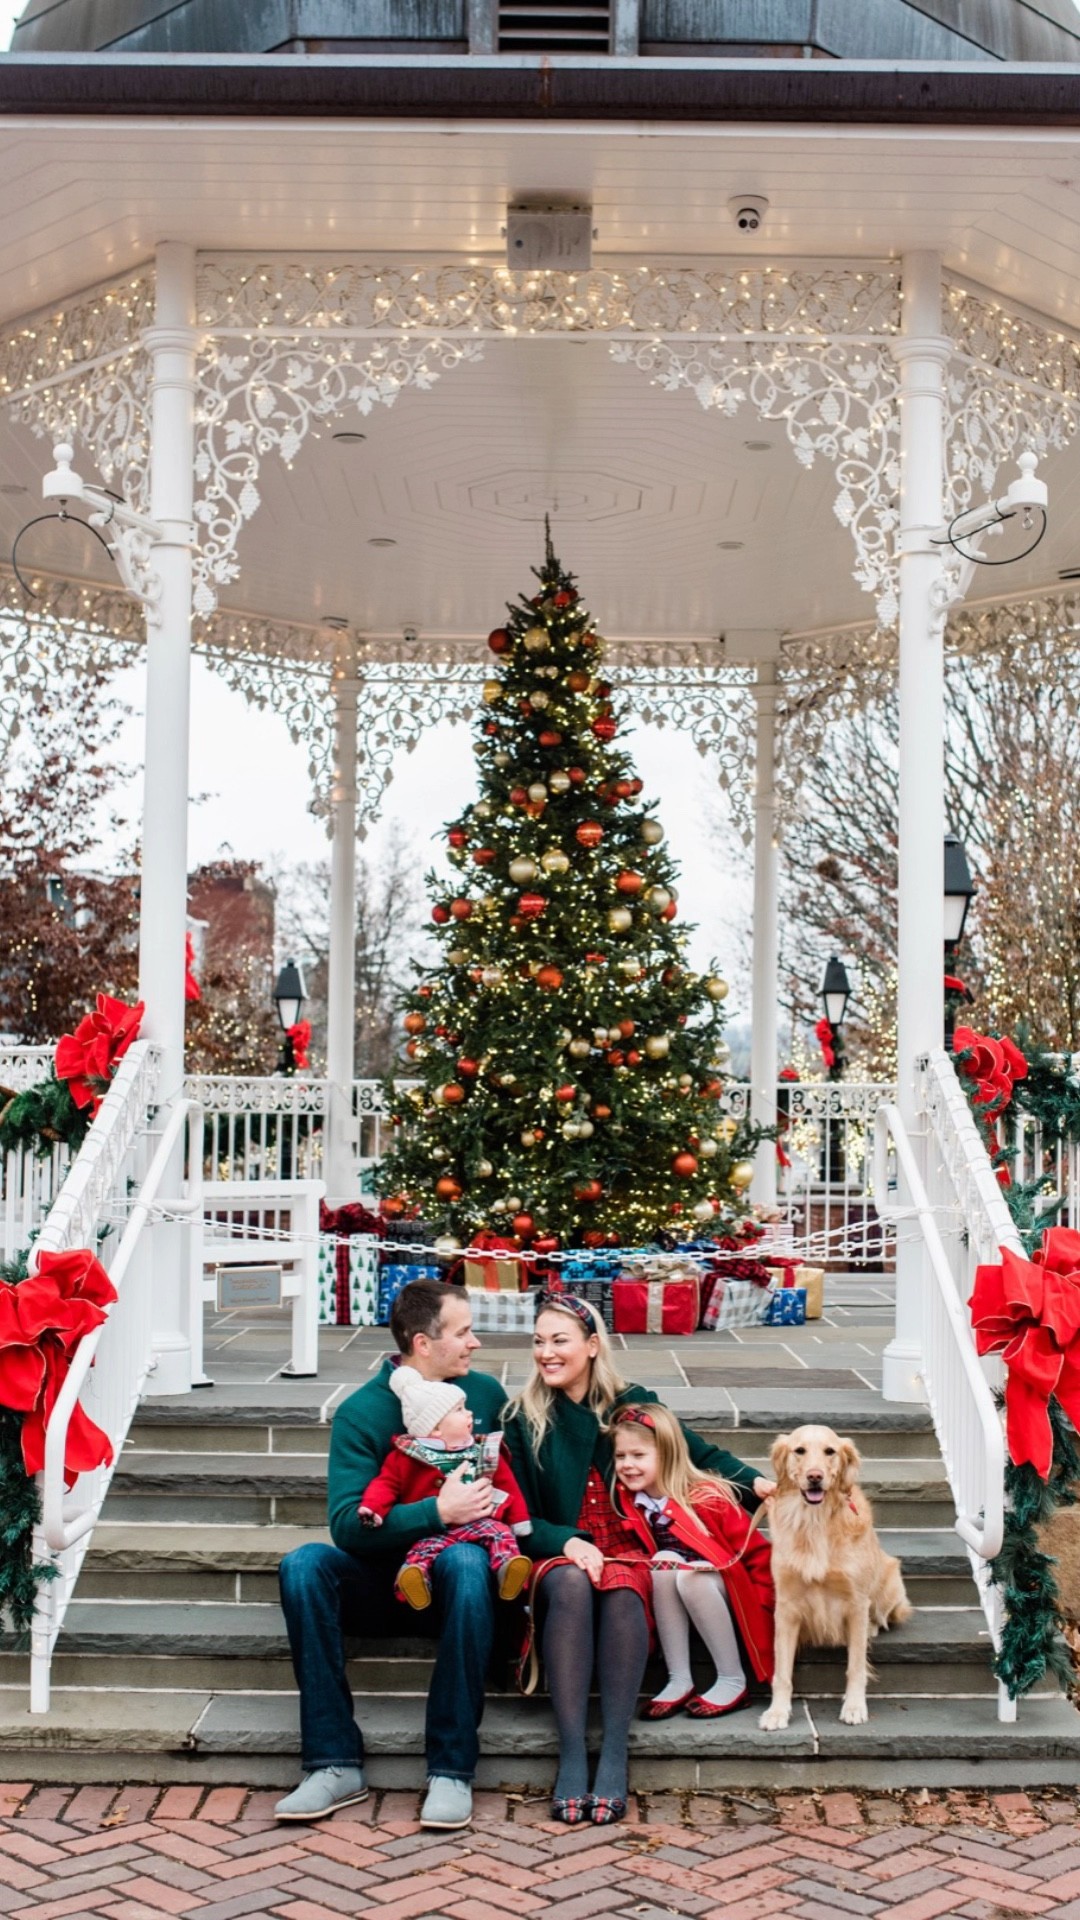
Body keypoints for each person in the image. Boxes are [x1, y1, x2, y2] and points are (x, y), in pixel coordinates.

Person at [501, 1292, 773, 1827]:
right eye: (538, 1342)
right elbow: (518, 1513)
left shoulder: (631, 1404)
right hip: (558, 1547)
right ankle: (574, 1756)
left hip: (628, 1547)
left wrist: (756, 1482)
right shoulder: (522, 1417)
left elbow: (696, 1454)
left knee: (625, 1586)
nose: (546, 1353)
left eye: (560, 1341)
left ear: (593, 1345)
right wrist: (566, 1541)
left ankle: (616, 1755)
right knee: (573, 1585)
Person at [276, 1279, 507, 1830]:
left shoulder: (486, 1396)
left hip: (455, 1585)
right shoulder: (364, 1411)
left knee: (469, 1561)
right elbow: (346, 1528)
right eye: (464, 1332)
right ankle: (333, 1763)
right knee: (303, 1564)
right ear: (424, 1344)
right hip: (381, 1584)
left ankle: (451, 1769)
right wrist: (436, 1513)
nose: (475, 1343)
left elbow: (513, 1486)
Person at [609, 1403, 774, 1718]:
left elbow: (756, 1554)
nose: (627, 1465)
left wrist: (769, 1606)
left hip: (730, 1591)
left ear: (667, 1454)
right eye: (620, 1456)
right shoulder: (631, 1503)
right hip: (680, 1589)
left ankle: (732, 1679)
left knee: (689, 1575)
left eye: (639, 1456)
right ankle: (679, 1678)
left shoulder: (706, 1496)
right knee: (664, 1560)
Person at [358, 1365, 532, 1608]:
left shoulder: (483, 1450)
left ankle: (507, 1573)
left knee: (501, 1535)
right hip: (432, 1531)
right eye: (460, 1410)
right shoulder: (407, 1456)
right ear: (436, 1428)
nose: (470, 1414)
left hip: (479, 1525)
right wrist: (372, 1509)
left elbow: (507, 1485)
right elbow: (385, 1485)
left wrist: (519, 1521)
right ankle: (414, 1582)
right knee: (420, 1553)